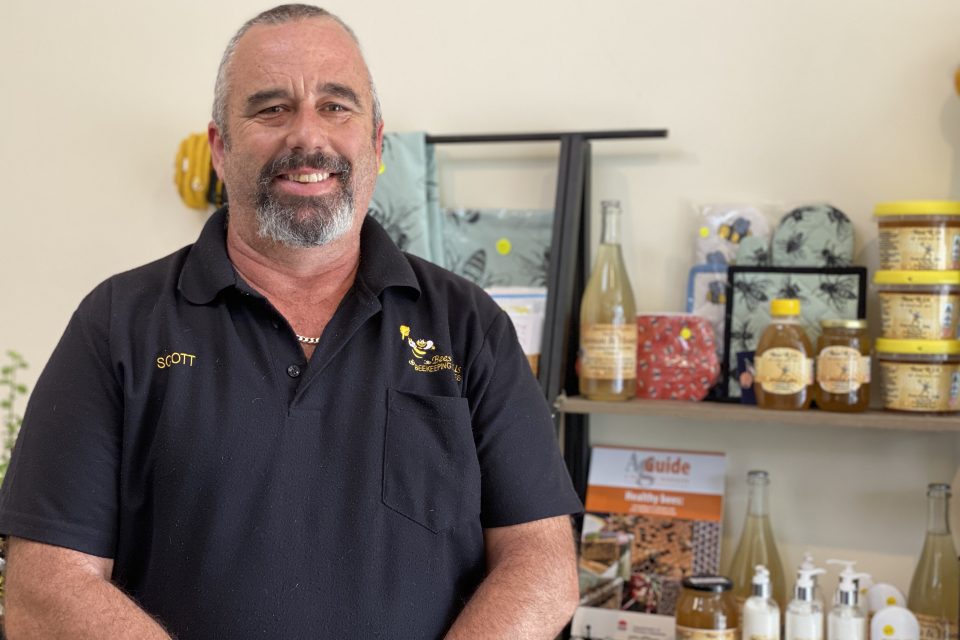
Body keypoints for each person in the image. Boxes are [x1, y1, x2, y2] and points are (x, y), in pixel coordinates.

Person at [0, 5, 582, 639]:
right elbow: (45, 589)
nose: (308, 137)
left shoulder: (471, 326)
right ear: (220, 148)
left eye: (336, 106)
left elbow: (542, 562)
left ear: (377, 144)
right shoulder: (118, 324)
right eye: (271, 109)